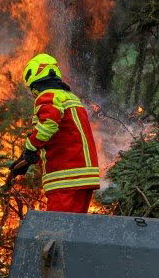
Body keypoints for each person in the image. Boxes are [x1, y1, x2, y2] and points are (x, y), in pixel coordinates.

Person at [9, 53, 100, 213]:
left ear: (35, 83)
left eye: (33, 90)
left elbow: (49, 124)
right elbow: (63, 136)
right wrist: (26, 158)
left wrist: (30, 147)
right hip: (84, 176)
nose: (34, 94)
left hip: (66, 178)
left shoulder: (48, 96)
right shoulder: (69, 97)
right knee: (73, 232)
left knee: (58, 231)